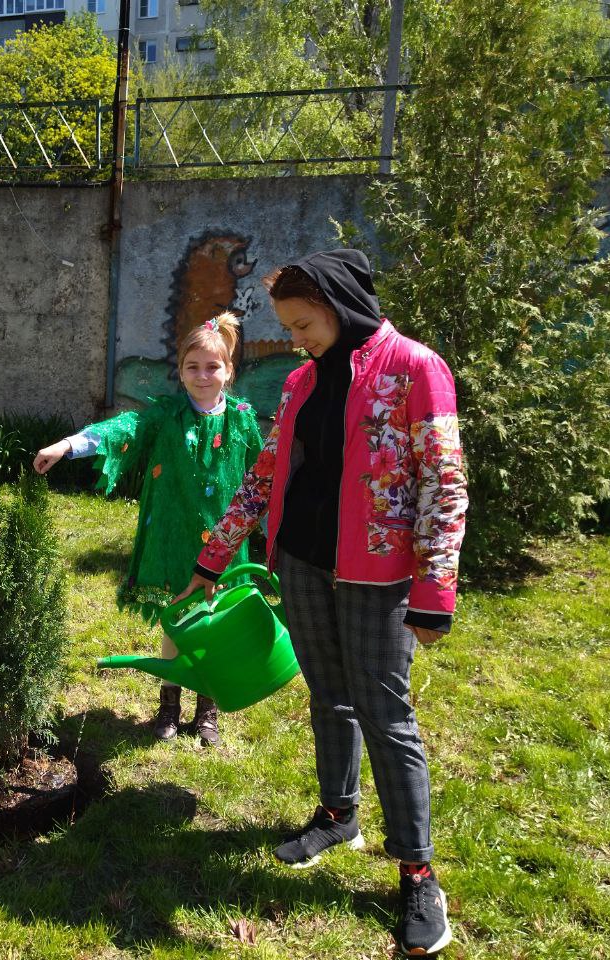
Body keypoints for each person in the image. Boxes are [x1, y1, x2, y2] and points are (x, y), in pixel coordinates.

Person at [179, 250, 467, 955]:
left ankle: (418, 872)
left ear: (340, 305)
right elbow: (267, 471)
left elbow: (444, 481)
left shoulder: (415, 368)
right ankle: (339, 813)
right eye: (290, 326)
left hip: (379, 576)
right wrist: (215, 554)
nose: (298, 338)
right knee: (327, 698)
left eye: (305, 323)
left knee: (385, 714)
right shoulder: (304, 381)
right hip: (302, 565)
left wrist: (434, 589)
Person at [34, 313, 263, 746]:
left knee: (213, 624)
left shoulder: (244, 420)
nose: (202, 375)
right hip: (172, 538)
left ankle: (207, 709)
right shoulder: (164, 416)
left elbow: (262, 477)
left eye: (212, 366)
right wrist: (68, 445)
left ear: (229, 371)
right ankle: (170, 706)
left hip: (224, 544)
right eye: (192, 366)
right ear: (180, 371)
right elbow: (123, 429)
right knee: (177, 622)